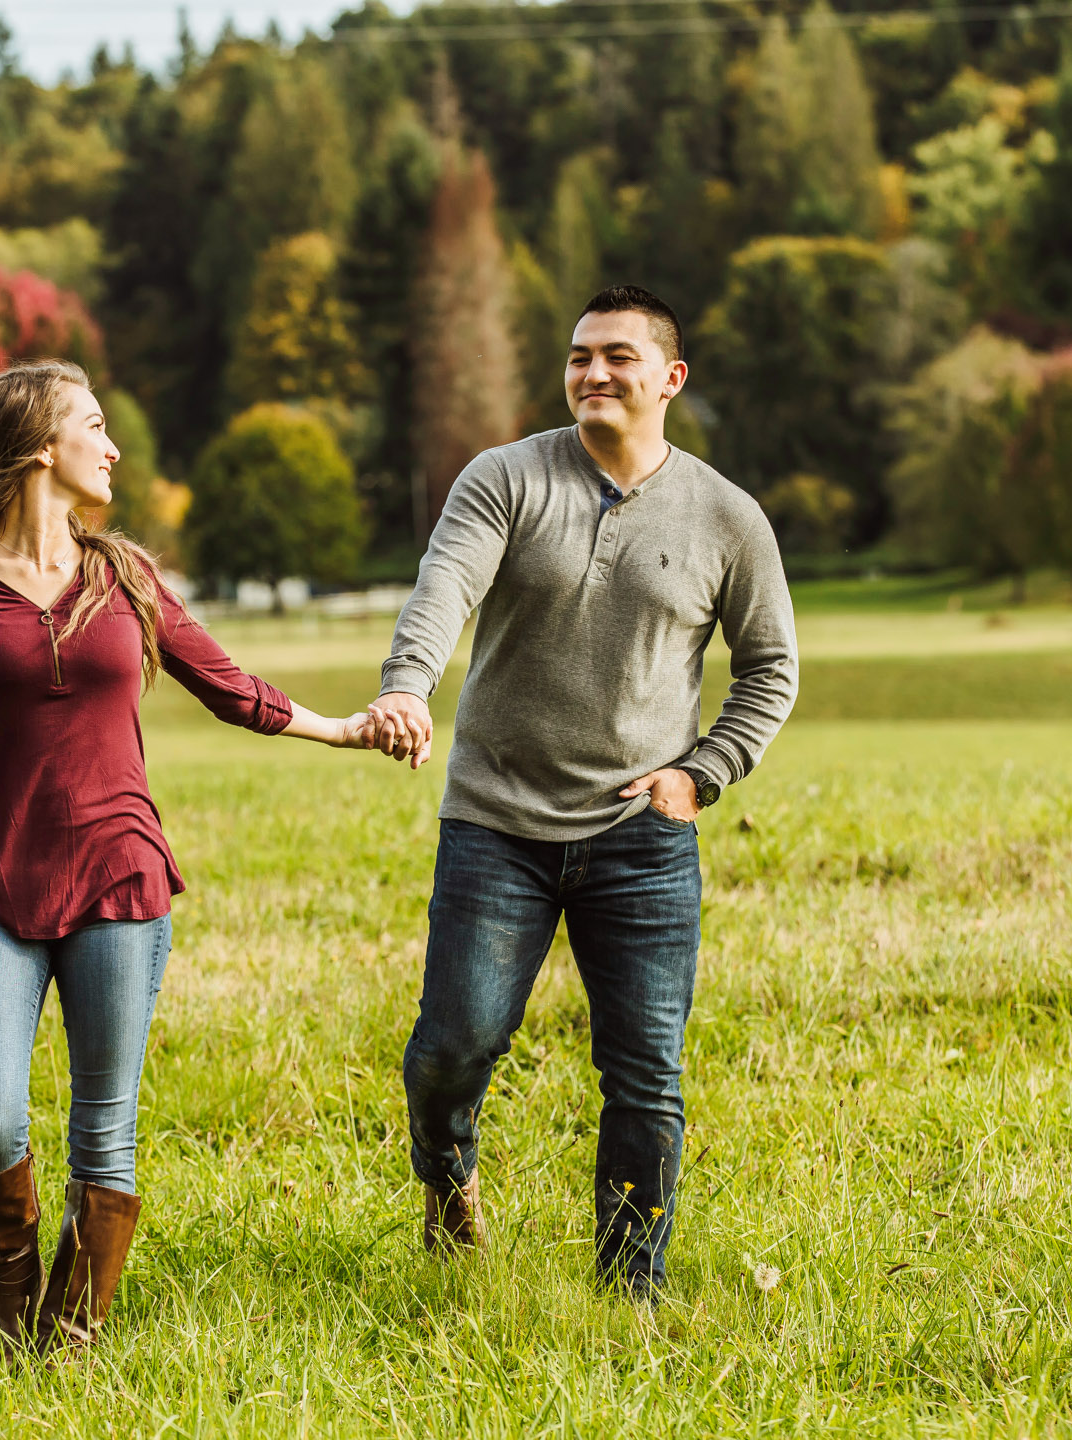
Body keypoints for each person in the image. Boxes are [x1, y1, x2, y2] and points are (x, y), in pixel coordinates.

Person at [0, 360, 377, 1355]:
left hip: (120, 874)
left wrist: (348, 730)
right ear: (38, 448)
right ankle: (16, 1282)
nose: (113, 450)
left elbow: (230, 685)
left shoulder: (125, 577)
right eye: (95, 427)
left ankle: (71, 1340)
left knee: (104, 1126)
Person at [366, 286, 799, 1300]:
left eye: (616, 357)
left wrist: (700, 775)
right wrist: (406, 686)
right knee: (452, 1046)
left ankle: (628, 1294)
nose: (592, 374)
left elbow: (771, 669)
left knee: (645, 1074)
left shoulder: (728, 518)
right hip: (496, 824)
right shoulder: (507, 479)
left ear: (670, 379)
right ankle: (448, 1176)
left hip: (641, 837)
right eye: (577, 358)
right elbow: (444, 592)